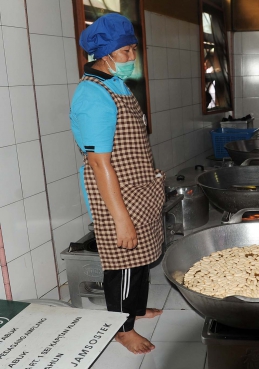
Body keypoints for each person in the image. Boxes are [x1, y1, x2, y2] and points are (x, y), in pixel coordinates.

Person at [71, 13, 165, 354]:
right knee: (124, 264)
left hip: (136, 188)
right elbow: (99, 162)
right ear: (105, 54)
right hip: (114, 194)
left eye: (133, 49)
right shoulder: (92, 95)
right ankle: (121, 329)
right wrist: (121, 217)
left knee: (140, 259)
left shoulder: (116, 84)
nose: (132, 57)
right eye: (126, 51)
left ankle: (135, 310)